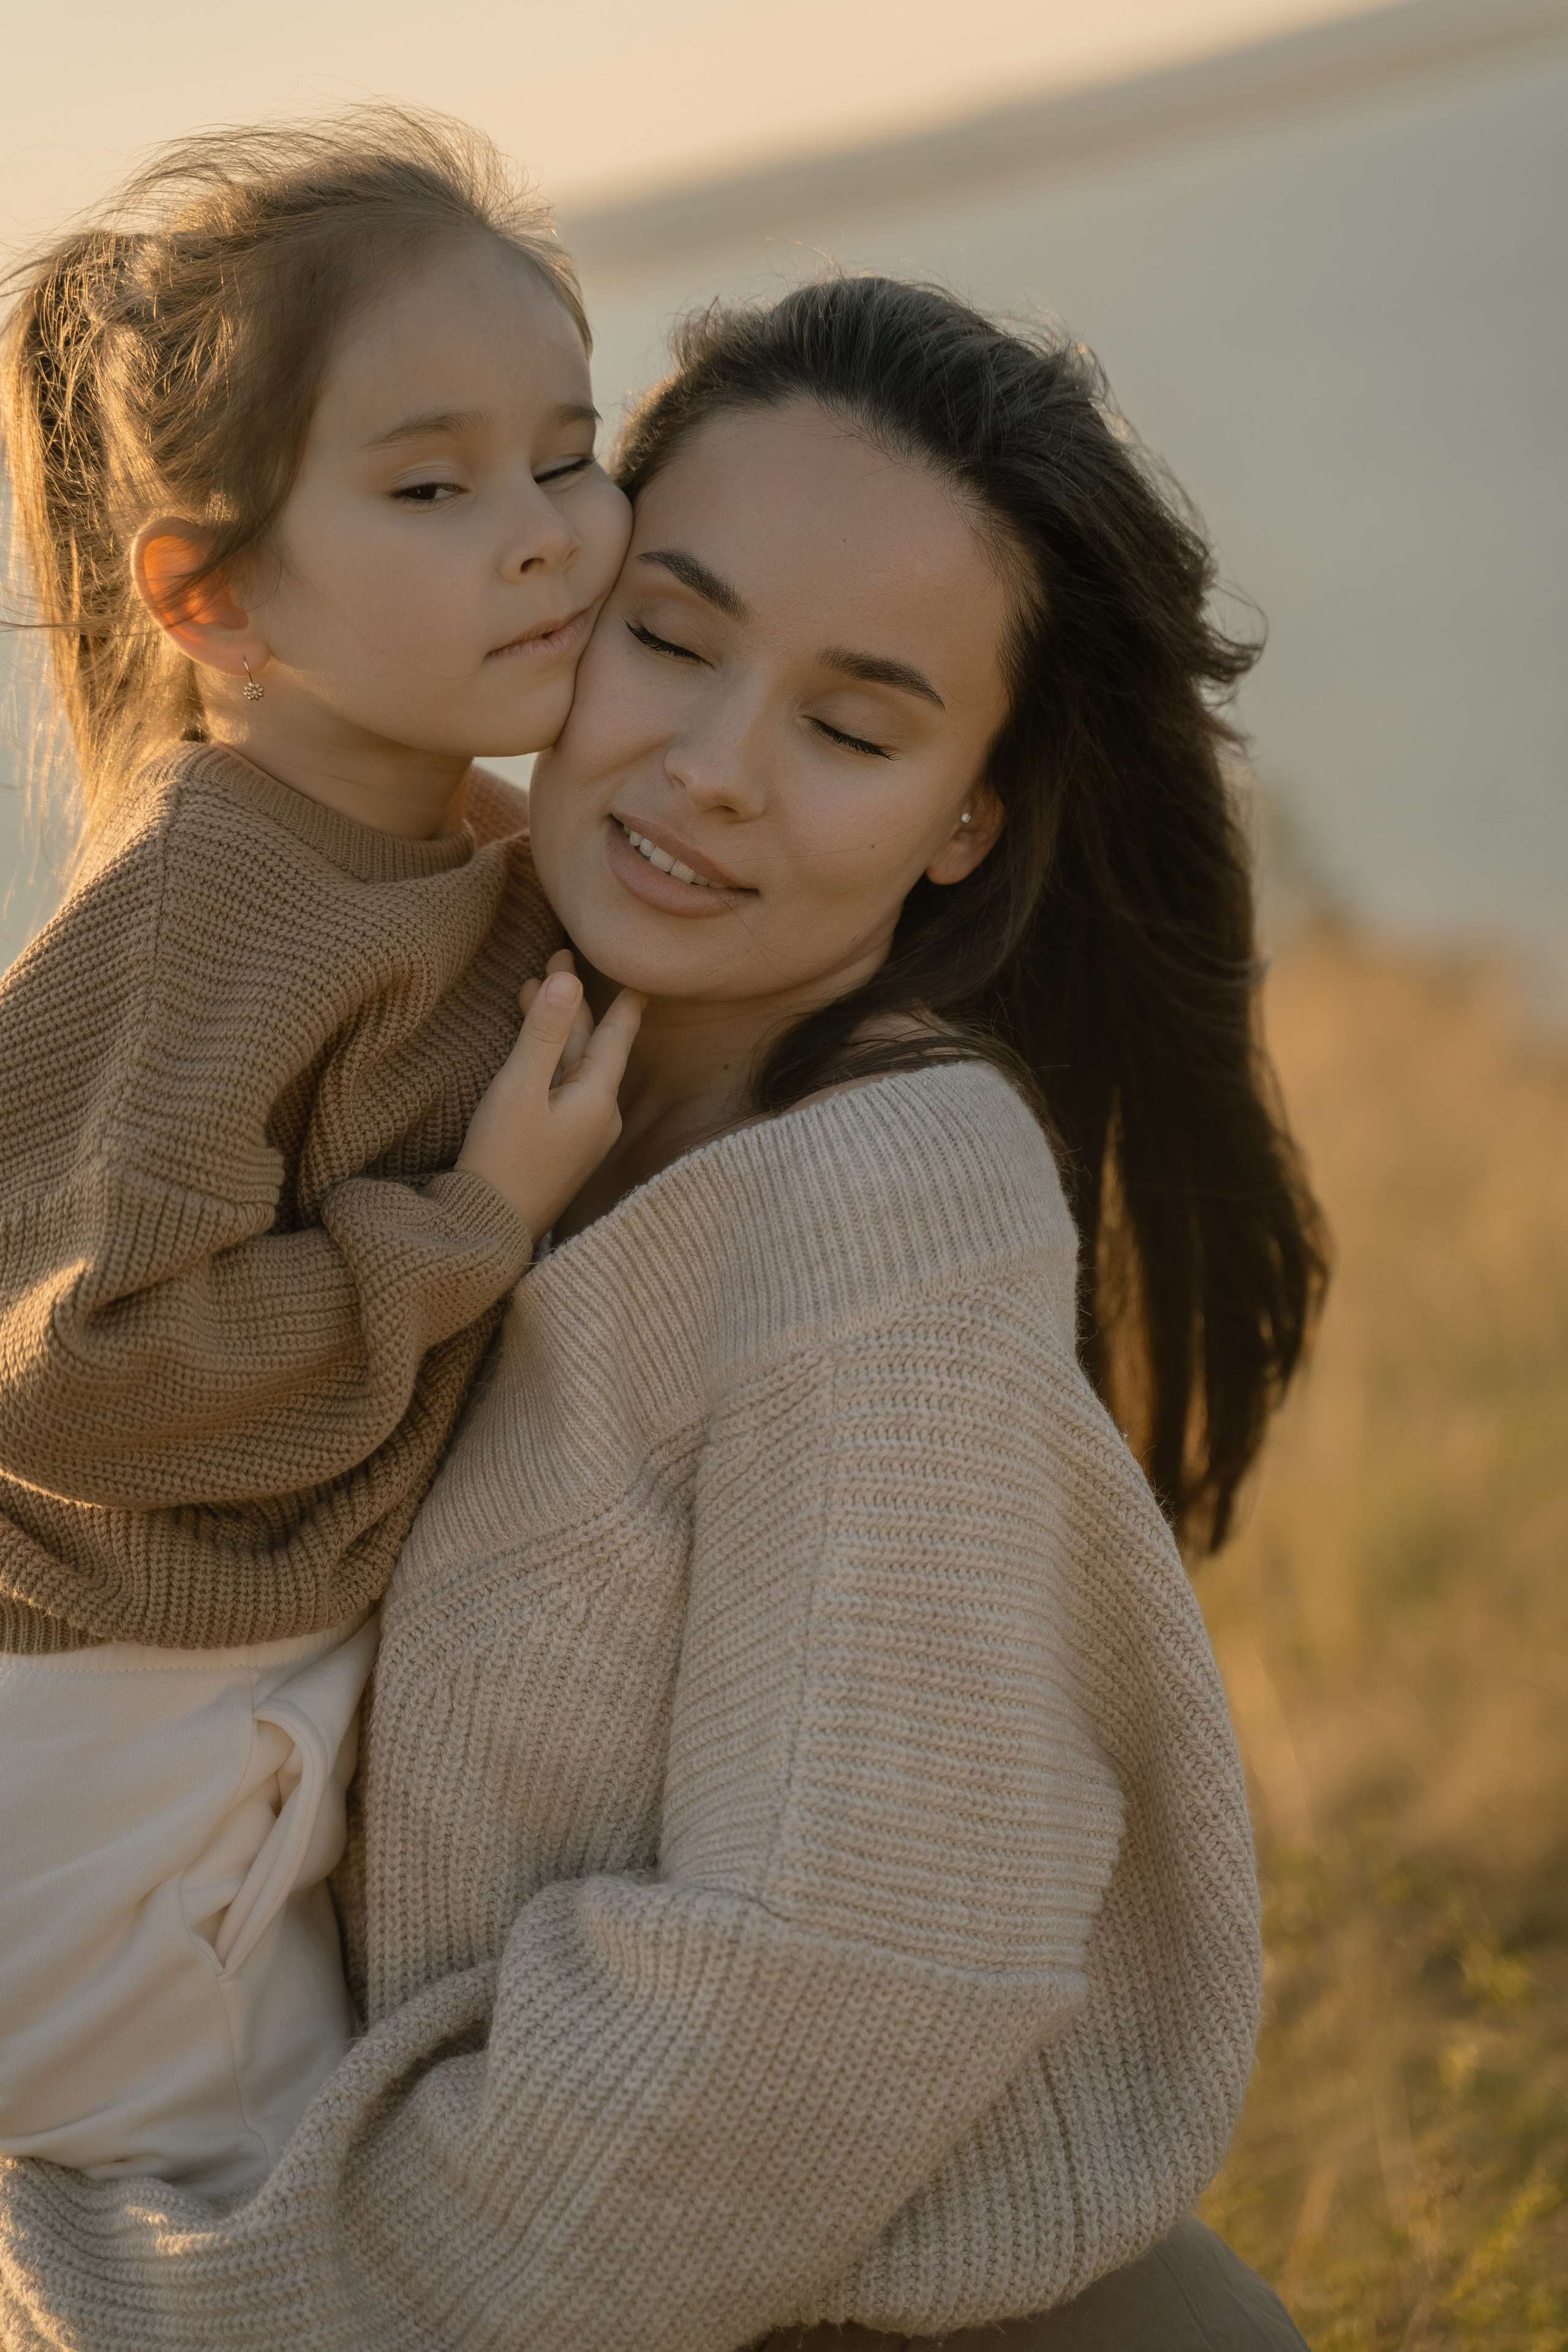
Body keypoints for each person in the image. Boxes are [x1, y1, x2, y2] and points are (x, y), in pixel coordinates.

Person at [0, 277, 1325, 2350]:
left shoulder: (888, 1217)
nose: (710, 769)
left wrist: (163, 2297)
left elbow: (819, 1989)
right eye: (670, 638)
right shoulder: (448, 1036)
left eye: (855, 727)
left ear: (966, 814)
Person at [0, 115, 639, 2201]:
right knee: (233, 2259)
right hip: (94, 1741)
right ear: (215, 594)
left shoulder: (450, 840)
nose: (546, 533)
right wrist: (470, 1227)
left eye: (571, 451)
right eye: (435, 486)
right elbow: (77, 1367)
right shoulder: (206, 896)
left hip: (232, 1703)